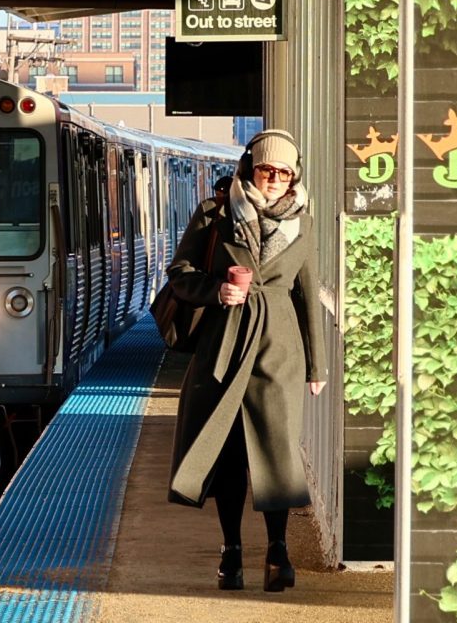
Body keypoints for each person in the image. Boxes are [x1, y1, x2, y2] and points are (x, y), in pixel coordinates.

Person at [165, 129, 326, 594]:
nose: (273, 179)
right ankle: (231, 549)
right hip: (224, 344)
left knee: (276, 452)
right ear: (249, 168)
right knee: (230, 452)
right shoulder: (215, 214)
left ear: (294, 175)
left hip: (279, 349)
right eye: (265, 169)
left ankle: (278, 551)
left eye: (283, 172)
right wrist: (217, 291)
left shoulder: (304, 224)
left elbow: (306, 296)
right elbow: (180, 273)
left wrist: (315, 366)